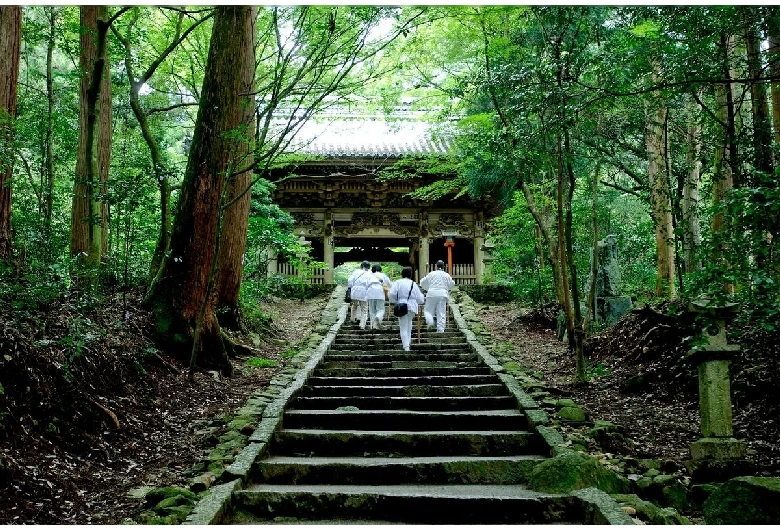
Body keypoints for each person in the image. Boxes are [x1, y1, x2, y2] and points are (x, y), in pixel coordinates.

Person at [388, 266, 425, 351]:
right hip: (412, 307)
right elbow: (420, 299)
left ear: (402, 274)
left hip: (402, 305)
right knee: (409, 326)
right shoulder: (413, 284)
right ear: (411, 275)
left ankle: (406, 347)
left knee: (403, 327)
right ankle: (408, 344)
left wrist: (396, 301)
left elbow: (391, 294)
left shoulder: (398, 282)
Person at [420, 259, 456, 333]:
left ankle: (429, 324)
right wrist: (446, 288)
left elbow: (422, 282)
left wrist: (428, 288)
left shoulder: (431, 274)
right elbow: (452, 284)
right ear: (443, 267)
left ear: (436, 266)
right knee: (441, 312)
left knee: (429, 310)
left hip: (431, 293)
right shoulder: (446, 275)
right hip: (442, 294)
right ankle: (440, 329)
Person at [347, 260, 372, 329]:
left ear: (362, 266)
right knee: (364, 309)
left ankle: (352, 319)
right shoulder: (369, 274)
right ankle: (362, 325)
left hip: (355, 290)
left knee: (354, 306)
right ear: (368, 267)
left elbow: (350, 281)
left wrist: (350, 287)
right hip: (364, 291)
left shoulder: (356, 272)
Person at [367, 264, 393, 329]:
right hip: (380, 292)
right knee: (380, 309)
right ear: (380, 270)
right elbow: (390, 285)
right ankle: (378, 317)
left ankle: (373, 326)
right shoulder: (383, 275)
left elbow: (365, 285)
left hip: (370, 293)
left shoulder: (369, 276)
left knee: (372, 311)